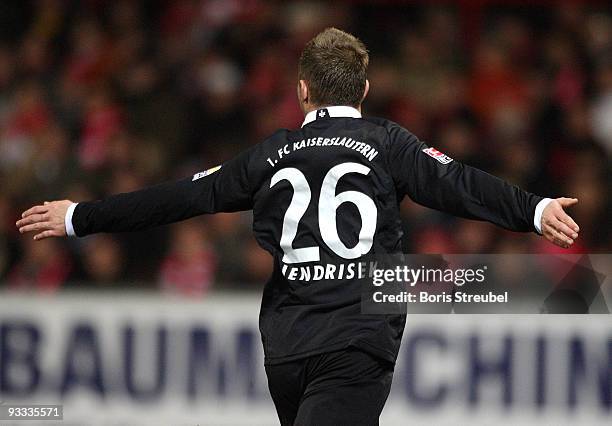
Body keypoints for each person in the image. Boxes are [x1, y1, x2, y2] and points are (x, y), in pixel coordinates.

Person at [16, 28, 580, 426]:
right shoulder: (387, 143)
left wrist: (79, 216)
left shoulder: (271, 154)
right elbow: (460, 182)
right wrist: (533, 209)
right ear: (362, 91)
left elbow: (180, 197)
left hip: (286, 348)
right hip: (355, 340)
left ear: (302, 90)